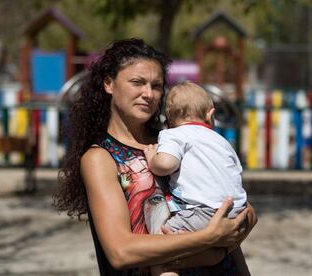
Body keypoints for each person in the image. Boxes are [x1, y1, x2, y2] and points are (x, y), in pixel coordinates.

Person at [53, 38, 257, 275]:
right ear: (109, 83)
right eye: (137, 82)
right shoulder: (101, 158)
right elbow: (121, 252)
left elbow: (238, 210)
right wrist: (210, 239)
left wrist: (223, 248)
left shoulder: (177, 141)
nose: (148, 94)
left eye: (157, 85)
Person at [144, 81, 250, 276]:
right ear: (210, 115)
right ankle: (211, 257)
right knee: (232, 252)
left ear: (168, 119)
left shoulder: (174, 134)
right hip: (237, 213)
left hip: (202, 213)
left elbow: (166, 164)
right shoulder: (222, 142)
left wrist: (152, 158)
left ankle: (171, 267)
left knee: (158, 250)